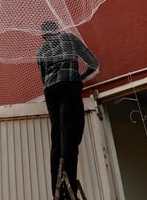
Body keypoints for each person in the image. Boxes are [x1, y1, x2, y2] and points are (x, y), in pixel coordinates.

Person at [36, 21, 99, 200]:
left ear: (43, 36)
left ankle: (56, 188)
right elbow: (93, 63)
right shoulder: (70, 39)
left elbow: (43, 79)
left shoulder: (40, 52)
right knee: (70, 135)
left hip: (51, 91)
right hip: (69, 85)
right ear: (58, 30)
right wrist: (81, 76)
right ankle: (67, 187)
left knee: (56, 138)